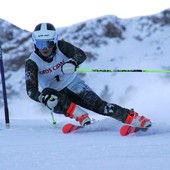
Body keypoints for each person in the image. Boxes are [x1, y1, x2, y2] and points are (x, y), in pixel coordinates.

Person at [25, 23, 151, 128]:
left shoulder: (61, 47)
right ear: (35, 43)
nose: (45, 48)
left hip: (74, 84)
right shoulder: (32, 62)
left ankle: (134, 119)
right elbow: (31, 90)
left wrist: (73, 62)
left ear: (55, 41)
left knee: (101, 106)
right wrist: (42, 98)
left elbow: (80, 54)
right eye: (41, 44)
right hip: (56, 93)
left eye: (49, 43)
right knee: (48, 94)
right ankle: (82, 117)